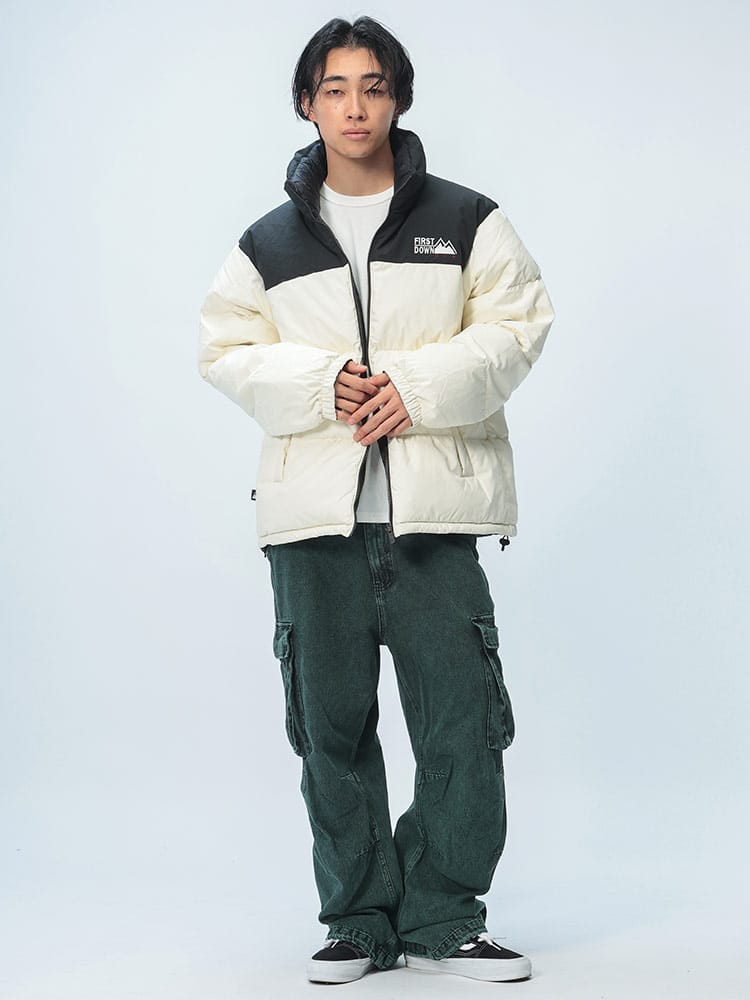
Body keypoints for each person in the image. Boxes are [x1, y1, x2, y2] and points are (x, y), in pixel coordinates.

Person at [198, 15, 555, 985]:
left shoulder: (466, 218)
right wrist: (323, 385)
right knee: (330, 730)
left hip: (436, 518)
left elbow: (519, 325)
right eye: (335, 88)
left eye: (373, 87)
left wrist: (415, 389)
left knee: (462, 726)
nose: (355, 107)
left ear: (398, 98)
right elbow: (223, 349)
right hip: (312, 526)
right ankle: (359, 921)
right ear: (307, 103)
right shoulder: (268, 242)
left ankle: (443, 916)